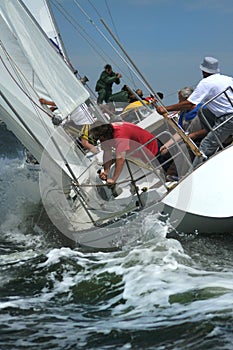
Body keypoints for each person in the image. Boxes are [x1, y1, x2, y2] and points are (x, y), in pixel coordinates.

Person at [156, 57, 233, 166]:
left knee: (205, 146)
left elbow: (190, 104)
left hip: (228, 119)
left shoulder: (206, 82)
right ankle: (223, 135)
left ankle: (195, 171)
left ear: (203, 71)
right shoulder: (228, 79)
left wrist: (165, 109)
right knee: (204, 111)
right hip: (227, 117)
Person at [91, 121, 160, 185]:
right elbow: (107, 152)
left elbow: (120, 158)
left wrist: (114, 179)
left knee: (161, 171)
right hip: (138, 153)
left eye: (101, 137)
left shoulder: (120, 134)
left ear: (106, 134)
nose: (101, 139)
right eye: (99, 137)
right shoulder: (104, 136)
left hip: (151, 149)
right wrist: (106, 171)